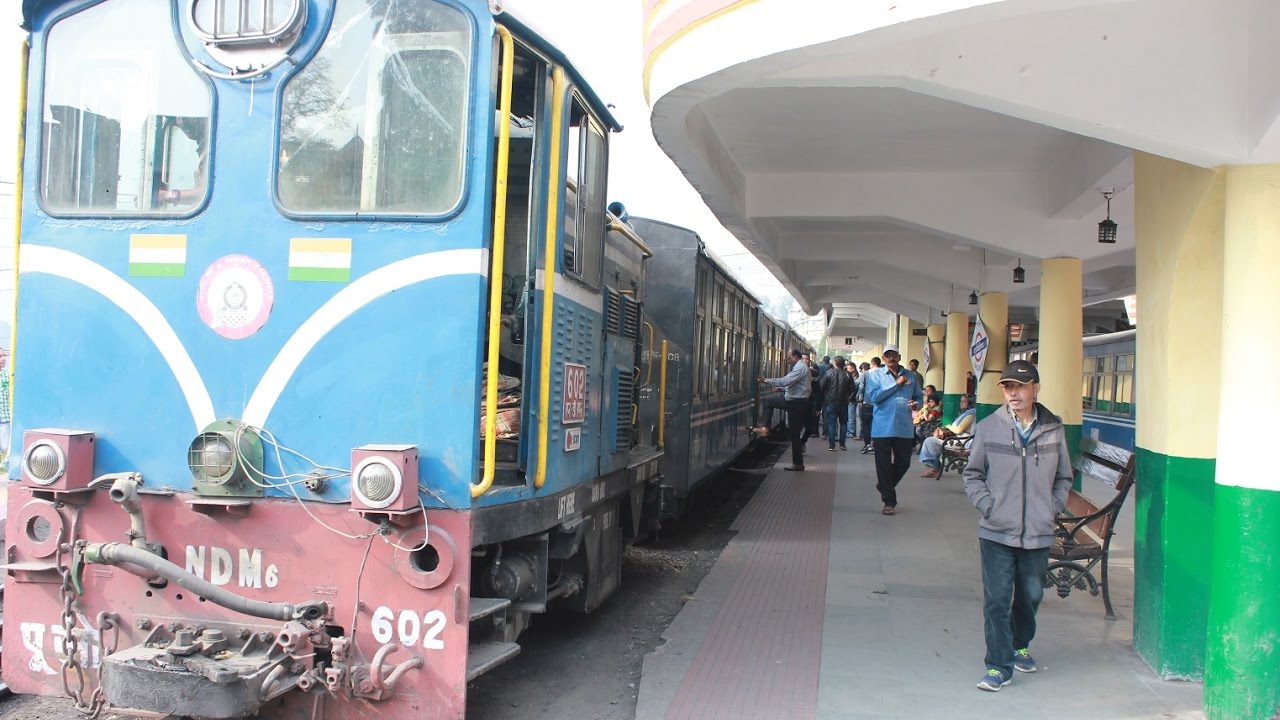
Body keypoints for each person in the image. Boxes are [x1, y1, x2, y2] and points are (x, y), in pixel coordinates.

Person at [963, 360, 1072, 692]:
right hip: (997, 530)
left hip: (1037, 530)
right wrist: (988, 505)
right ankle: (998, 666)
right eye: (1008, 387)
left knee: (1031, 595)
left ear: (1035, 389)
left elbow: (1065, 477)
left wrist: (1051, 508)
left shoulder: (1053, 429)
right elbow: (973, 474)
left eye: (1020, 386)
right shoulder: (988, 427)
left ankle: (1019, 643)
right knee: (997, 600)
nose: (1013, 393)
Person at [863, 345, 923, 515]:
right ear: (883, 358)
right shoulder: (875, 375)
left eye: (894, 355)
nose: (891, 358)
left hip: (904, 426)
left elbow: (919, 396)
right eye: (887, 355)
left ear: (899, 356)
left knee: (904, 462)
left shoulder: (910, 375)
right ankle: (889, 501)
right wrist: (895, 385)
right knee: (882, 465)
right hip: (882, 426)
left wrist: (917, 404)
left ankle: (884, 485)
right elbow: (873, 397)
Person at [759, 349, 812, 471]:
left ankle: (798, 464)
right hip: (796, 401)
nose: (788, 362)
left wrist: (765, 380)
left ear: (795, 357)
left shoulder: (800, 368)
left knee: (794, 434)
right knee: (794, 433)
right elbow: (797, 385)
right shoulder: (802, 367)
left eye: (789, 359)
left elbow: (785, 381)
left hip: (795, 403)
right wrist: (782, 389)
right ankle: (764, 427)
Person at [918, 394, 976, 478]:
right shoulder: (964, 413)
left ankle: (935, 469)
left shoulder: (971, 414)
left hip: (961, 442)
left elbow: (958, 430)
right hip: (956, 439)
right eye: (961, 401)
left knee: (930, 441)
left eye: (964, 401)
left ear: (970, 402)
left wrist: (948, 426)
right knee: (931, 440)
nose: (961, 403)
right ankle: (934, 468)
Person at [820, 356, 853, 451]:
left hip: (830, 402)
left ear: (834, 363)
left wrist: (826, 395)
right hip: (844, 403)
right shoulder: (848, 374)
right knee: (843, 424)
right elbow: (853, 388)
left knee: (831, 424)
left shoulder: (828, 373)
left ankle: (831, 445)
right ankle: (842, 445)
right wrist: (847, 394)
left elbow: (822, 386)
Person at [857, 359, 878, 453]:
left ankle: (867, 444)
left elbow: (861, 387)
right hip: (879, 404)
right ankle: (875, 445)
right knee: (876, 424)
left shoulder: (865, 374)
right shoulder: (884, 373)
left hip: (867, 402)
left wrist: (860, 398)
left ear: (872, 364)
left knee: (866, 424)